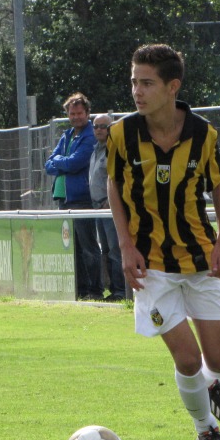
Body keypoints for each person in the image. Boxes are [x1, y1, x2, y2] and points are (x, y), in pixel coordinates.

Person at [106, 44, 220, 440]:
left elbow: (217, 183)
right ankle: (205, 429)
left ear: (172, 86)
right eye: (133, 82)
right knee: (186, 358)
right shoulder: (121, 134)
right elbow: (113, 185)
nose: (137, 91)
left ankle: (211, 383)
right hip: (150, 267)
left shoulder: (203, 134)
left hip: (198, 257)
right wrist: (126, 245)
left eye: (146, 83)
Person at [45, 93, 103, 300]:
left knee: (88, 246)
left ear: (87, 113)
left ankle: (95, 290)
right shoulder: (67, 135)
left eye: (79, 113)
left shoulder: (90, 135)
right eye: (72, 113)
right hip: (64, 199)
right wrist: (62, 161)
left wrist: (61, 161)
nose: (76, 117)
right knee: (73, 248)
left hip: (82, 199)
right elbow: (48, 164)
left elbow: (75, 163)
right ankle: (80, 290)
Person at [88, 113, 126, 302]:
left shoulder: (114, 149)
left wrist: (112, 201)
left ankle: (121, 290)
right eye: (95, 126)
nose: (99, 130)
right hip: (97, 208)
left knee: (115, 250)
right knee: (105, 250)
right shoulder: (96, 149)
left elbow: (121, 179)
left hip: (110, 208)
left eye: (103, 126)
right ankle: (112, 289)